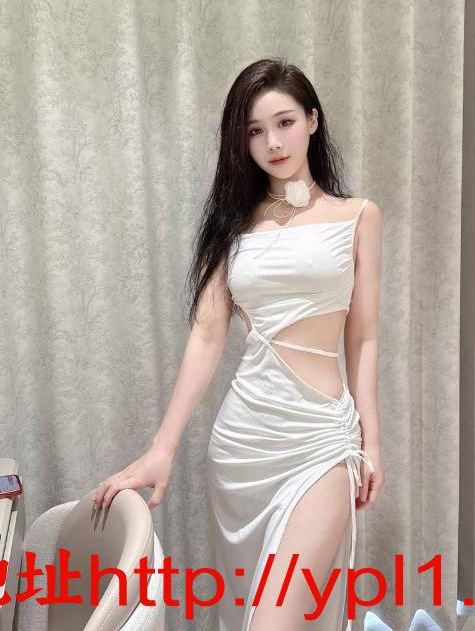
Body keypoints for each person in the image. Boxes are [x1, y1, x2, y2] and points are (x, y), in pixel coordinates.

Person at [93, 58, 385, 630]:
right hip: (242, 446)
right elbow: (207, 335)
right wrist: (161, 449)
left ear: (313, 121)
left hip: (322, 440)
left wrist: (371, 440)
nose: (272, 142)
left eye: (285, 122)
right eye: (255, 130)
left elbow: (364, 335)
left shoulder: (358, 217)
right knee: (248, 615)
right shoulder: (234, 226)